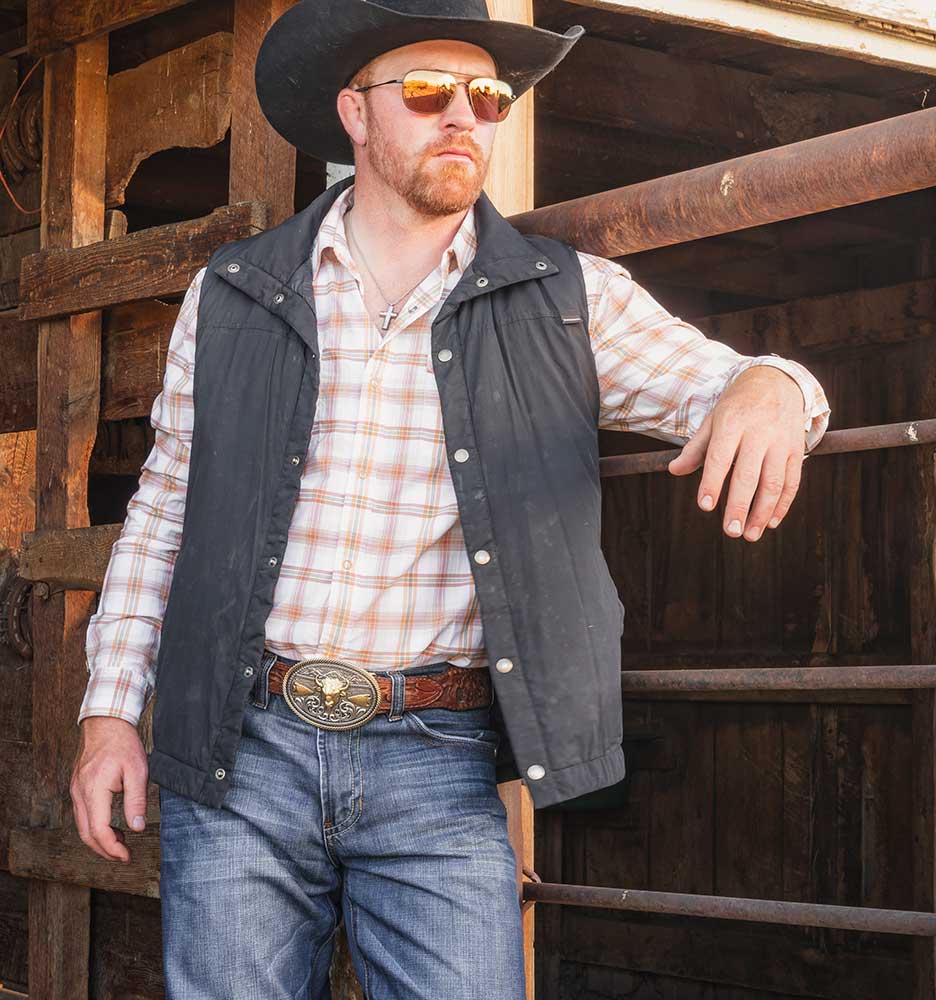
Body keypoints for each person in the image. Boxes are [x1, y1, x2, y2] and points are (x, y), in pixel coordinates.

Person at [70, 1, 831, 997]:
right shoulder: (235, 290)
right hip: (243, 746)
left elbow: (729, 380)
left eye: (488, 95)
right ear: (355, 112)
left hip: (438, 756)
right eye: (429, 92)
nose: (465, 114)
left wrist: (776, 386)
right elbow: (164, 507)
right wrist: (108, 713)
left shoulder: (568, 297)